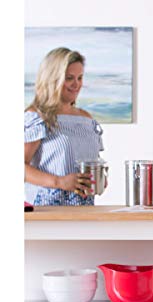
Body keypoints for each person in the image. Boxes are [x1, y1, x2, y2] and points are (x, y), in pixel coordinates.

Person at [24, 47, 104, 206]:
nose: (76, 84)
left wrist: (99, 178)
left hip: (84, 210)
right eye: (69, 78)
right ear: (52, 79)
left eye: (80, 78)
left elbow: (91, 162)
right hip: (47, 210)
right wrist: (59, 181)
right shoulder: (37, 118)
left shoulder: (86, 119)